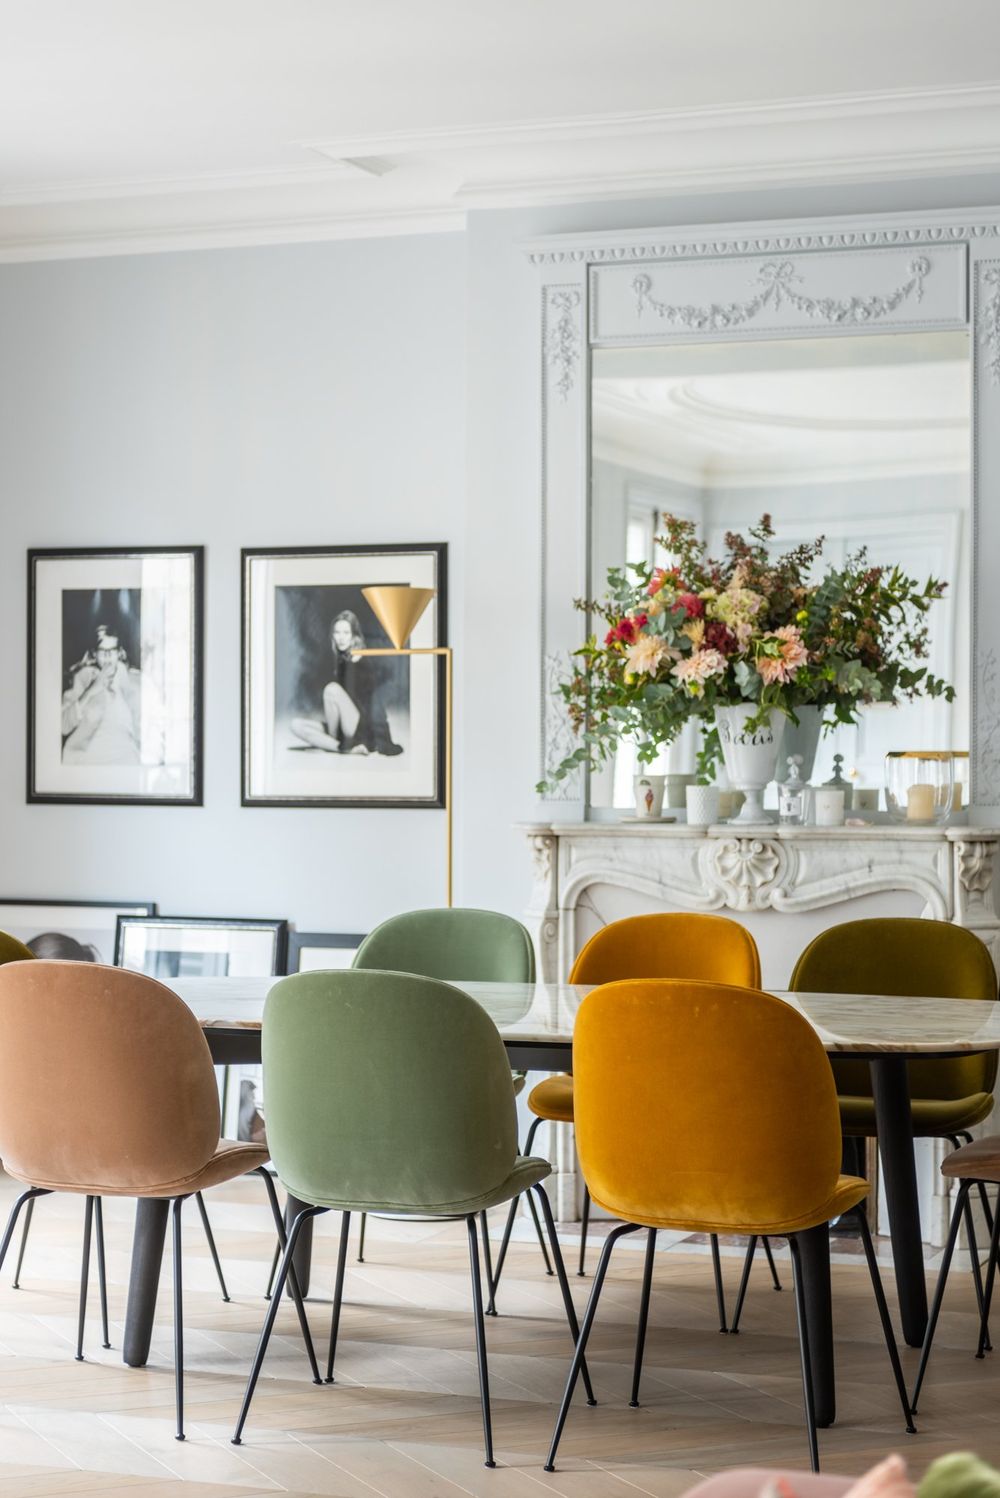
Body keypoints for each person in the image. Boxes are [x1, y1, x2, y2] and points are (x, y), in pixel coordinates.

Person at [290, 610, 403, 756]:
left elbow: (376, 703)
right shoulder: (343, 658)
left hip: (360, 728)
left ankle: (333, 741)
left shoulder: (359, 659)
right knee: (296, 725)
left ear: (354, 636)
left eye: (346, 632)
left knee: (331, 689)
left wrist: (380, 739)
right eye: (337, 632)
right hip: (344, 725)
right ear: (332, 635)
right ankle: (342, 747)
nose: (341, 638)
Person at [61, 625, 142, 765]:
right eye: (102, 651)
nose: (107, 656)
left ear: (120, 653)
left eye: (112, 650)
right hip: (89, 760)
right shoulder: (82, 678)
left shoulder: (135, 681)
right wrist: (91, 690)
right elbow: (63, 725)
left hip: (126, 759)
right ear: (94, 653)